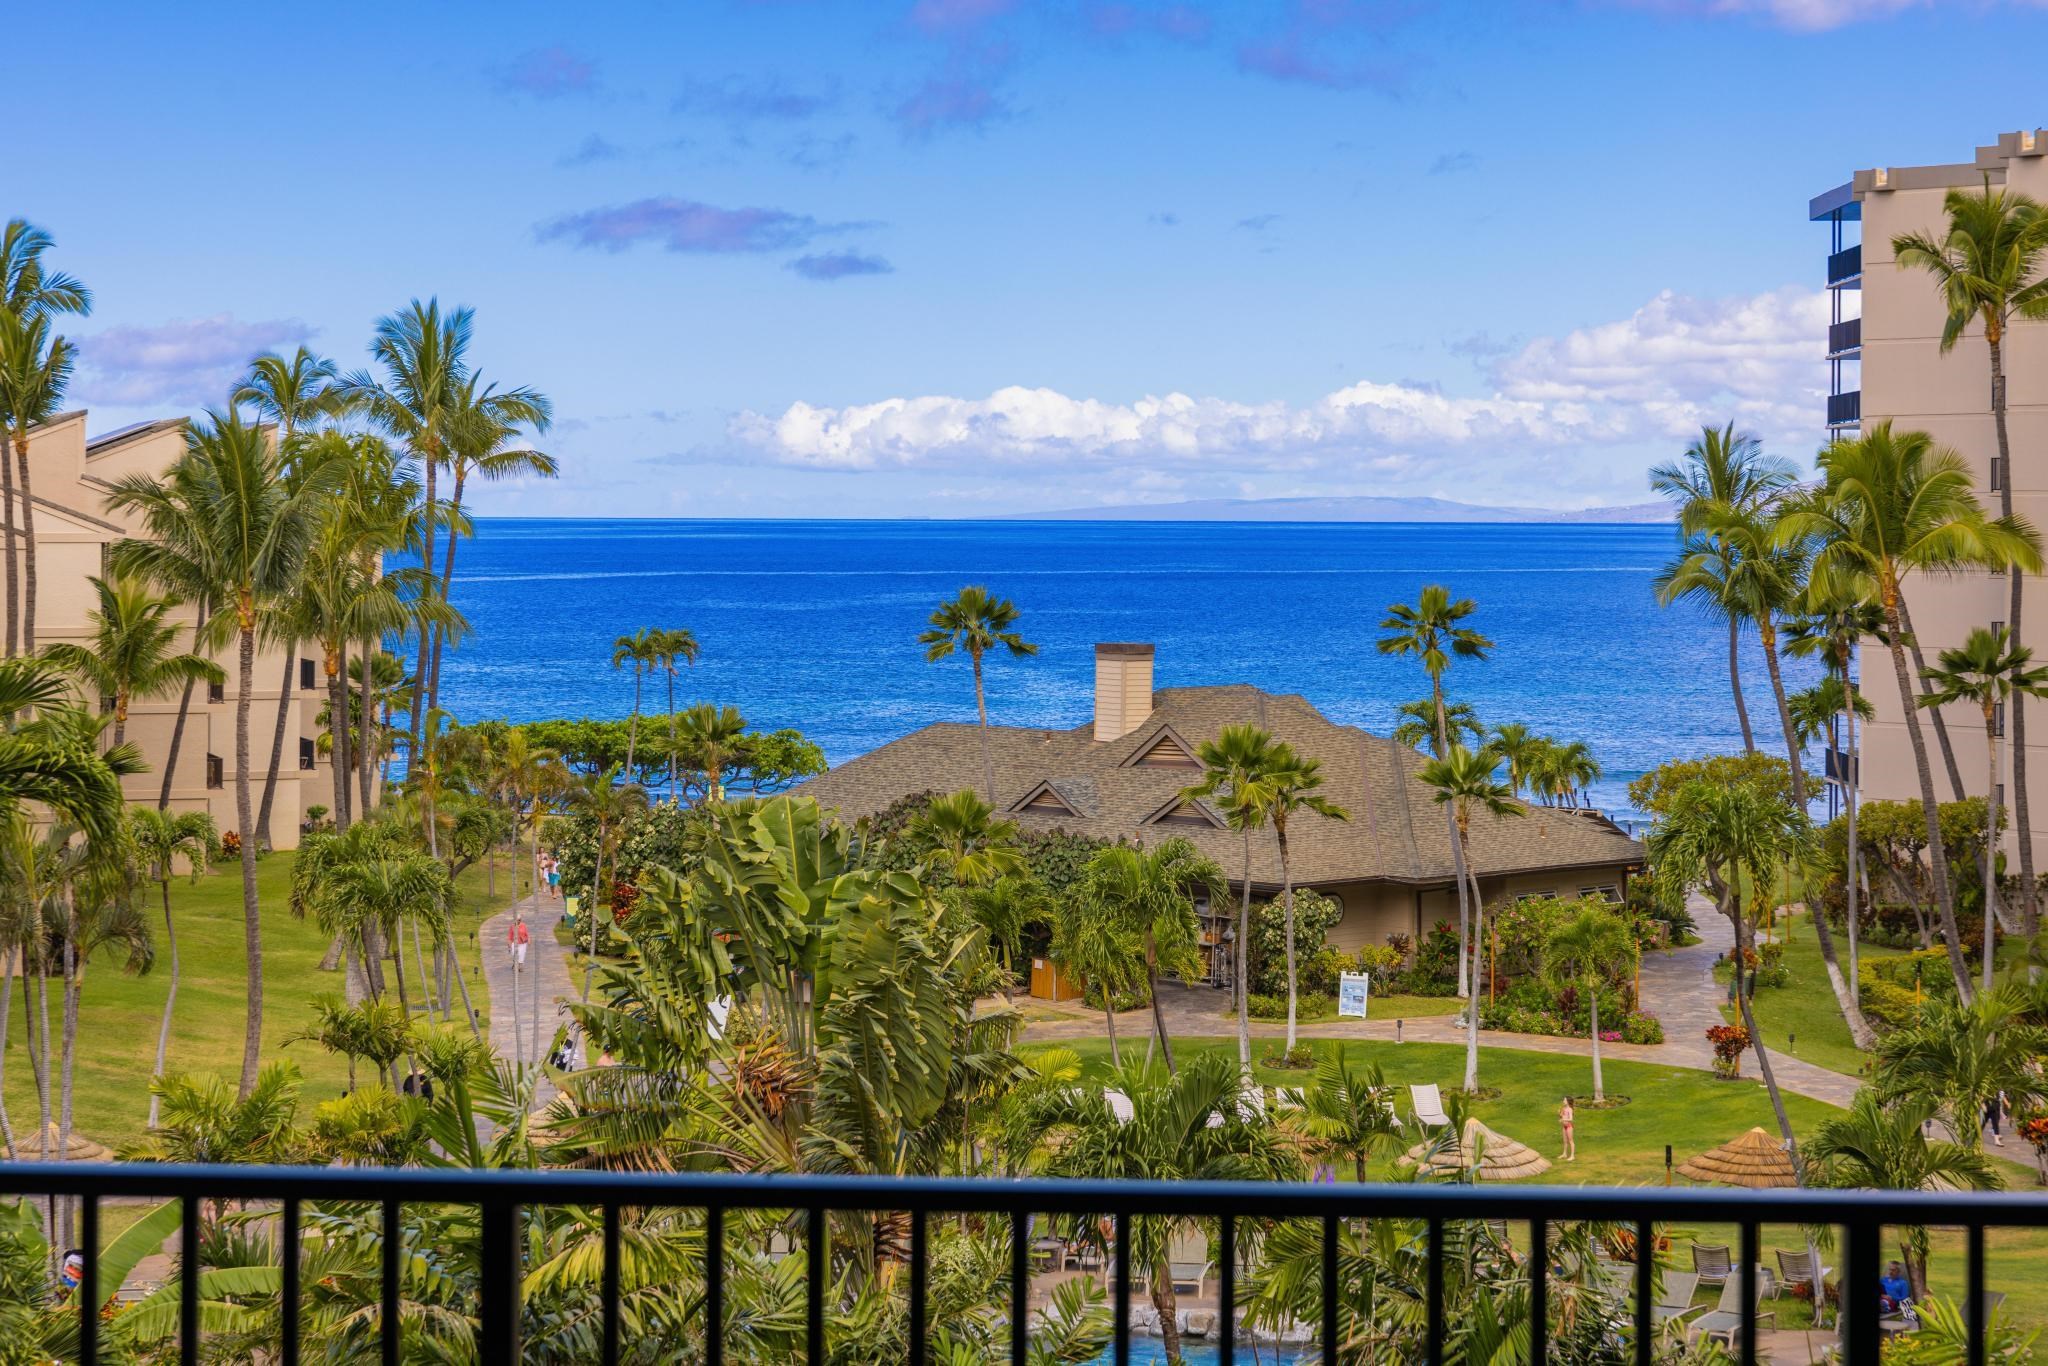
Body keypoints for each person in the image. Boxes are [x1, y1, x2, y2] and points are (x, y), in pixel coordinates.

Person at [1559, 1097, 1576, 1162]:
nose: (1563, 1101)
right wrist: (1559, 1113)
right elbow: (1561, 1116)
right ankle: (1564, 1154)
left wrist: (1563, 1119)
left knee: (1571, 1141)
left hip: (1569, 1127)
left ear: (1568, 1101)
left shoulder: (1570, 1109)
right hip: (1564, 1126)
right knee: (1565, 1142)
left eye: (1564, 1100)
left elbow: (1571, 1119)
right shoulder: (1564, 1108)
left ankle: (1572, 1156)